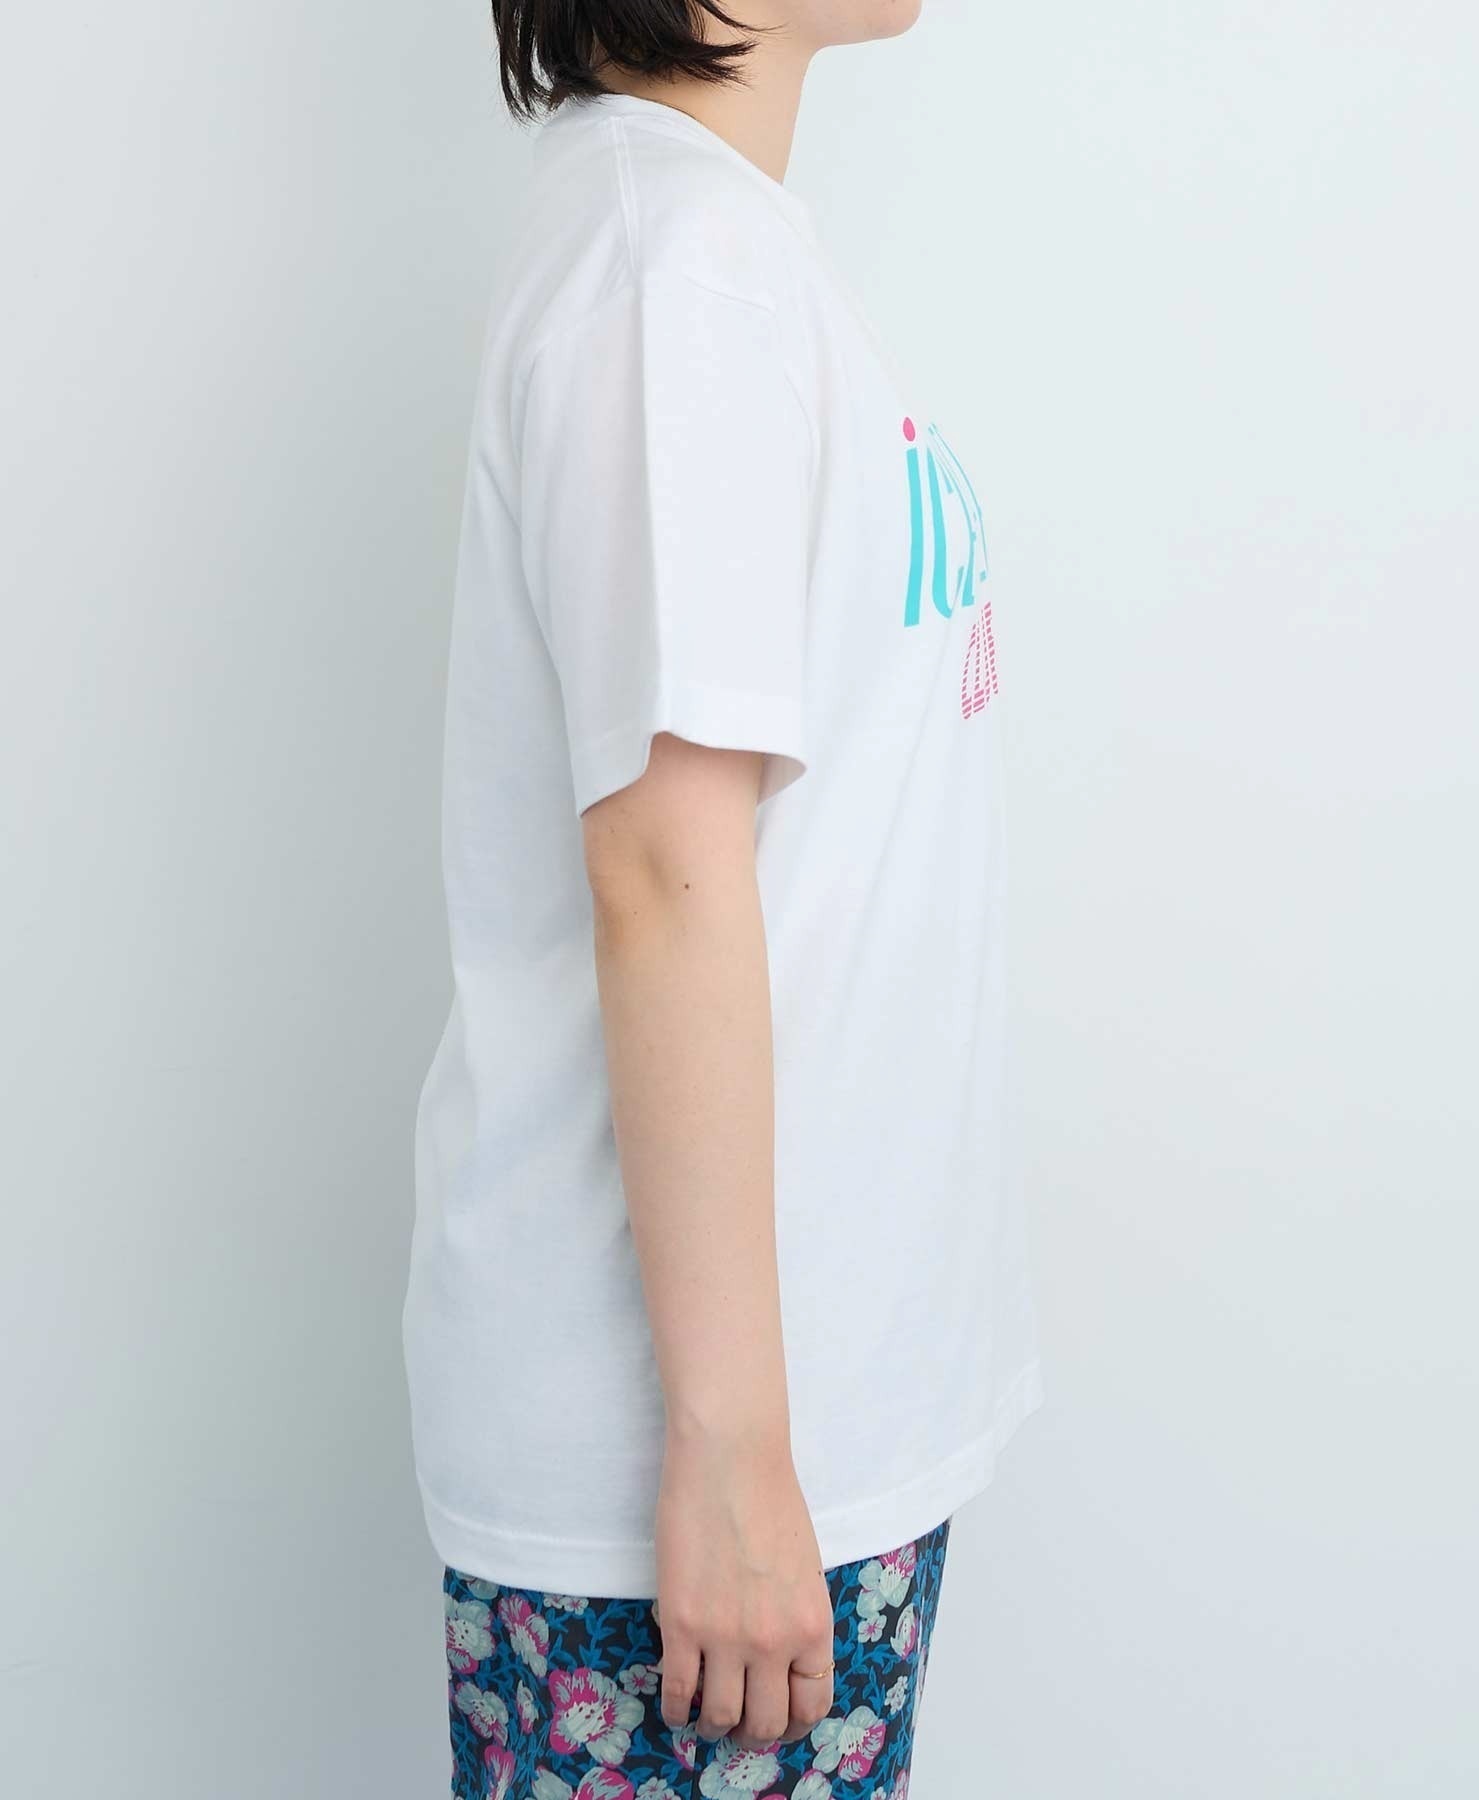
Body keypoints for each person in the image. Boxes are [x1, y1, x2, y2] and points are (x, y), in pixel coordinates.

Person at [401, 4, 1043, 1793]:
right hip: (695, 1484)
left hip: (790, 1433)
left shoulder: (717, 249)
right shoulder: (672, 275)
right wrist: (735, 1453)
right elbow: (664, 877)